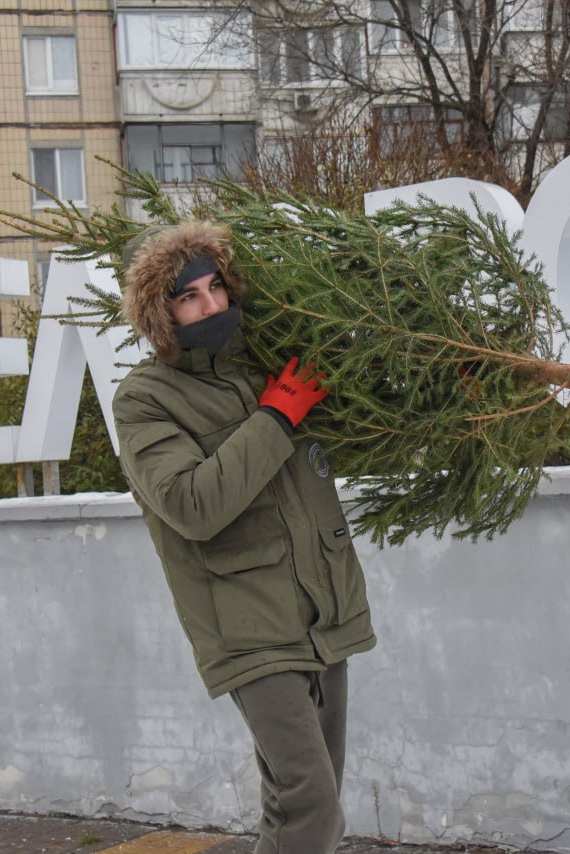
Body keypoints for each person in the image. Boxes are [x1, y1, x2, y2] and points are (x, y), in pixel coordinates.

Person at [112, 221, 376, 854]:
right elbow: (191, 504)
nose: (212, 306)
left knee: (303, 802)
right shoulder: (145, 400)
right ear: (160, 313)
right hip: (247, 623)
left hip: (323, 609)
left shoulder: (269, 366)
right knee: (312, 806)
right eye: (189, 296)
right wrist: (276, 417)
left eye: (216, 287)